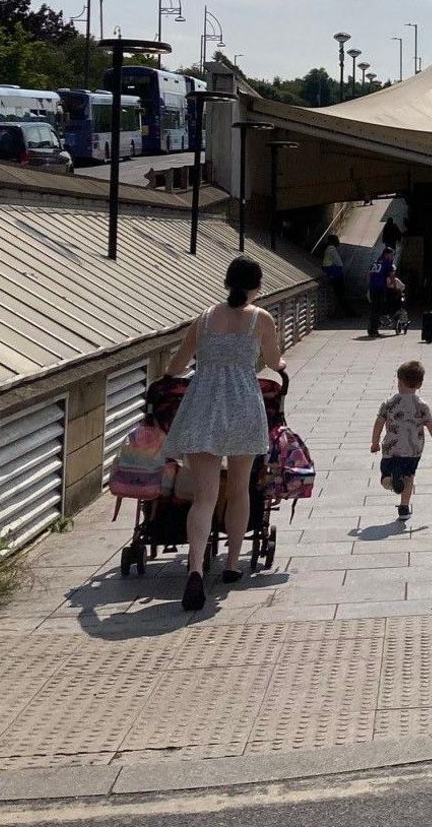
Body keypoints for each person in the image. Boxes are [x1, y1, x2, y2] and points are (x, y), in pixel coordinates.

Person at [162, 256, 286, 611]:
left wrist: (171, 376)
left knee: (204, 496)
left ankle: (196, 568)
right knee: (239, 488)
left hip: (203, 408)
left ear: (227, 282)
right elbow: (274, 360)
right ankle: (232, 564)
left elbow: (177, 365)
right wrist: (280, 367)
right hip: (244, 409)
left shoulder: (202, 319)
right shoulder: (260, 319)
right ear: (257, 285)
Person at [370, 360, 432, 520]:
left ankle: (389, 480)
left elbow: (379, 423)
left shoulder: (389, 403)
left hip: (391, 447)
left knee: (386, 475)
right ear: (419, 384)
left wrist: (375, 442)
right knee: (409, 477)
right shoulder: (422, 405)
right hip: (413, 449)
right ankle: (404, 508)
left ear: (399, 382)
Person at [367, 247, 396, 336]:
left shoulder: (376, 261)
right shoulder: (387, 263)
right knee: (378, 309)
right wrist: (394, 286)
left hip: (373, 287)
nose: (393, 257)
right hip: (379, 288)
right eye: (391, 255)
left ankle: (371, 328)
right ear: (386, 254)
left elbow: (370, 274)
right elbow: (391, 276)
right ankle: (374, 329)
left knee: (373, 308)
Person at [319, 235, 351, 315]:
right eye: (337, 240)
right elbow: (339, 263)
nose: (339, 242)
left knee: (337, 294)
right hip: (336, 274)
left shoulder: (328, 249)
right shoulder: (332, 249)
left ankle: (343, 311)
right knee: (340, 294)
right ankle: (345, 312)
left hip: (332, 273)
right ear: (333, 241)